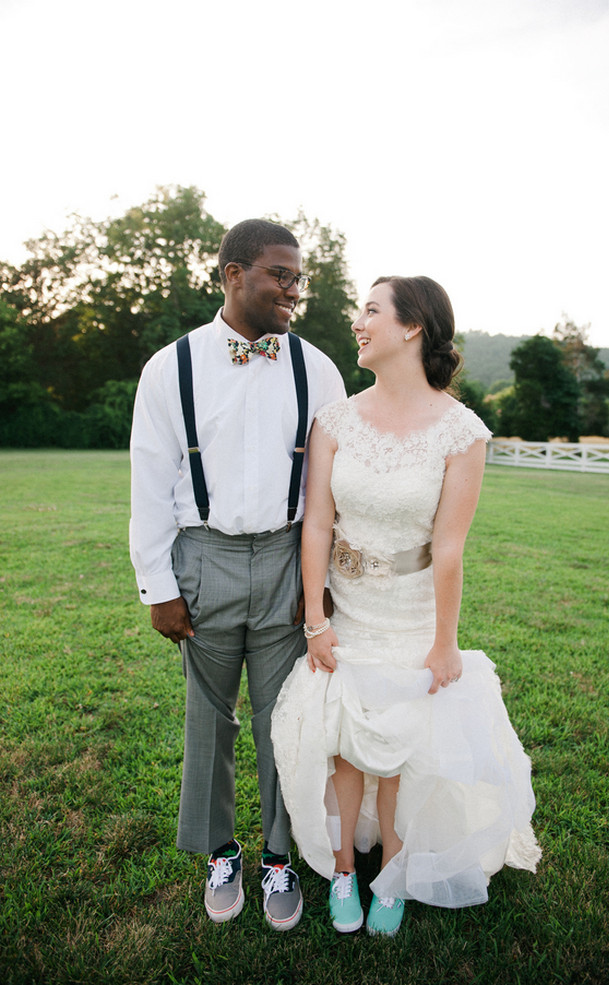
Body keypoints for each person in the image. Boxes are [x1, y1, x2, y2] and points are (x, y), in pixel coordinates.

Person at [271, 275, 541, 937]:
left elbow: (448, 547)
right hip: (348, 608)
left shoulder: (461, 431)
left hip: (414, 611)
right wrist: (316, 618)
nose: (357, 321)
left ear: (412, 326)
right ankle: (341, 871)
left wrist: (443, 642)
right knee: (342, 740)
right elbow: (315, 526)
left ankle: (390, 870)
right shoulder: (335, 419)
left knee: (396, 746)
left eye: (370, 310)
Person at [129, 219, 345, 931]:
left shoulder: (319, 369)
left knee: (284, 720)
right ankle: (221, 851)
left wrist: (318, 587)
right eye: (279, 275)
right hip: (204, 558)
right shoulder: (171, 367)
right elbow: (150, 482)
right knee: (209, 720)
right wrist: (156, 586)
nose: (293, 289)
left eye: (298, 278)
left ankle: (279, 856)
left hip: (288, 558)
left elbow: (328, 491)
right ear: (231, 274)